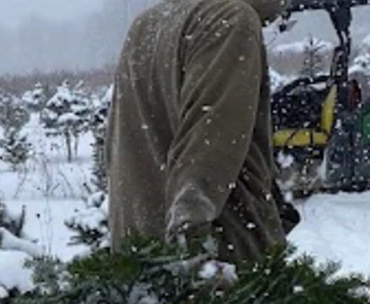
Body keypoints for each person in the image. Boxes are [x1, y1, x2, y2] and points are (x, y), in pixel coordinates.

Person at [107, 0, 298, 265]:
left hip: (139, 253)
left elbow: (118, 147)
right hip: (220, 261)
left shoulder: (146, 24)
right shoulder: (230, 19)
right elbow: (210, 143)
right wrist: (190, 244)